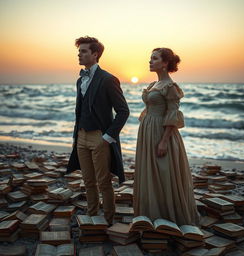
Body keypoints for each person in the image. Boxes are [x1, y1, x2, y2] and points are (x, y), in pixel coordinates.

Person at [68, 36, 129, 225]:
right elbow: (81, 110)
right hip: (82, 137)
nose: (80, 54)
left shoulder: (108, 79)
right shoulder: (80, 80)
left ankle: (109, 220)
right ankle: (92, 216)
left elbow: (123, 111)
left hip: (99, 137)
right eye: (79, 51)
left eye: (84, 51)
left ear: (95, 54)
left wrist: (107, 137)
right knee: (88, 181)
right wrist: (77, 135)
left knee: (103, 182)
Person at [133, 47, 199, 225]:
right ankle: (150, 215)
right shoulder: (153, 85)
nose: (150, 61)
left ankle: (168, 217)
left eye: (154, 58)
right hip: (148, 130)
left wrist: (163, 141)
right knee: (150, 172)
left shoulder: (170, 86)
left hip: (162, 133)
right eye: (150, 58)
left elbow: (173, 115)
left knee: (163, 171)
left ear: (165, 63)